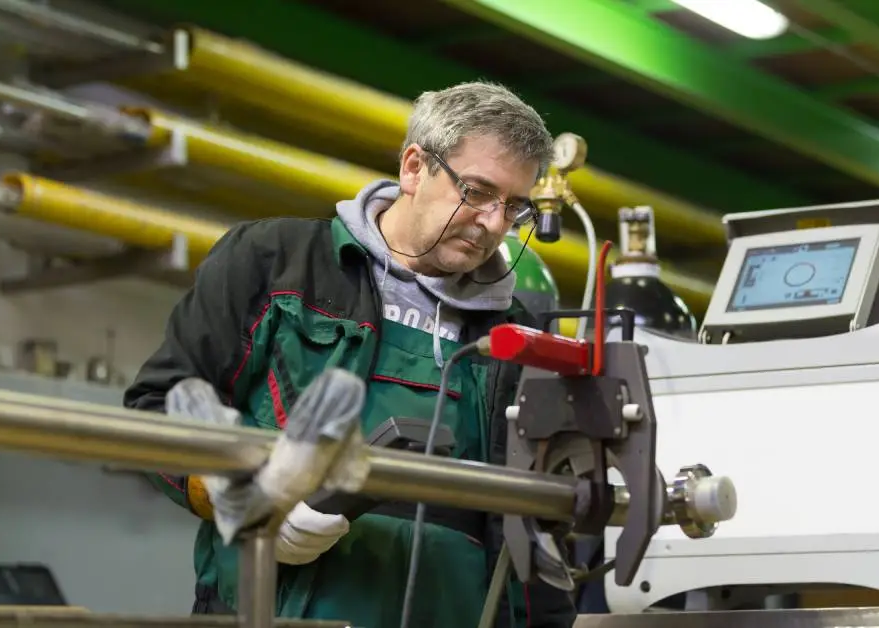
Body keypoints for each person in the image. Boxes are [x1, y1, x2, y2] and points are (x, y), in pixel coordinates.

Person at [124, 81, 576, 628]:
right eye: (477, 192)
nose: (495, 224)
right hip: (273, 609)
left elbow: (530, 532)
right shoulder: (275, 266)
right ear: (414, 167)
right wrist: (238, 502)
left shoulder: (515, 340)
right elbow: (156, 409)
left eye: (515, 208)